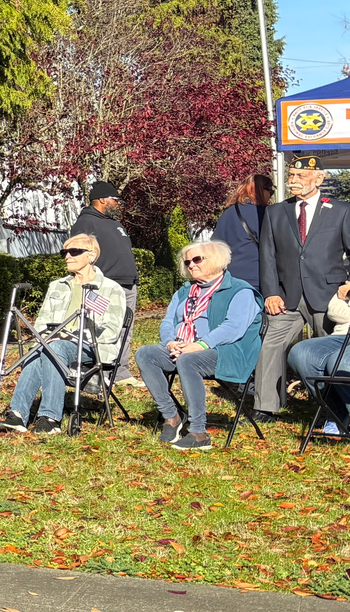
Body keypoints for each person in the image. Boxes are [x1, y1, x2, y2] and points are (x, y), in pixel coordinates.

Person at [255, 156, 350, 415]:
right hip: (286, 297)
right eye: (291, 176)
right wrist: (271, 292)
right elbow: (268, 256)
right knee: (270, 346)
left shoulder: (341, 211)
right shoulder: (275, 212)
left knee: (327, 352)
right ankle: (265, 408)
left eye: (300, 176)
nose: (293, 181)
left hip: (328, 296)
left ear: (318, 178)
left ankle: (333, 410)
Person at [133, 240, 262, 452]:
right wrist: (170, 342)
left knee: (188, 360)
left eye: (197, 259)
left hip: (227, 351)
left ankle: (199, 433)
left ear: (217, 260)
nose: (191, 265)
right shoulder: (184, 292)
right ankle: (172, 417)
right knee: (146, 353)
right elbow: (168, 321)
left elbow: (233, 328)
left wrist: (200, 345)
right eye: (187, 262)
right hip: (184, 348)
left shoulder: (240, 291)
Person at [0, 234, 127, 436]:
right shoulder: (57, 286)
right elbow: (41, 323)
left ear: (91, 256)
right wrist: (48, 337)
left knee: (54, 347)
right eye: (64, 252)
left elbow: (111, 331)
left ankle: (50, 418)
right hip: (54, 341)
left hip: (93, 348)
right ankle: (18, 415)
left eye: (74, 251)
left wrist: (71, 338)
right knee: (39, 348)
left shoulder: (110, 289)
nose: (67, 256)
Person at [288, 251, 350, 439]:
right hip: (344, 336)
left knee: (345, 361)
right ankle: (337, 413)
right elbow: (334, 311)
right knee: (301, 353)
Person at [66, 180, 139, 390]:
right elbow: (78, 255)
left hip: (127, 285)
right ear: (101, 200)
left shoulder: (116, 224)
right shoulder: (86, 223)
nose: (118, 203)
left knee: (124, 329)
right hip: (104, 286)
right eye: (115, 199)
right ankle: (98, 374)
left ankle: (120, 372)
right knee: (101, 330)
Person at [211, 173, 271, 291]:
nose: (270, 196)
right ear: (262, 190)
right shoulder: (263, 214)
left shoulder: (228, 213)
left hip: (230, 278)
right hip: (256, 277)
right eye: (271, 192)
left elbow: (215, 245)